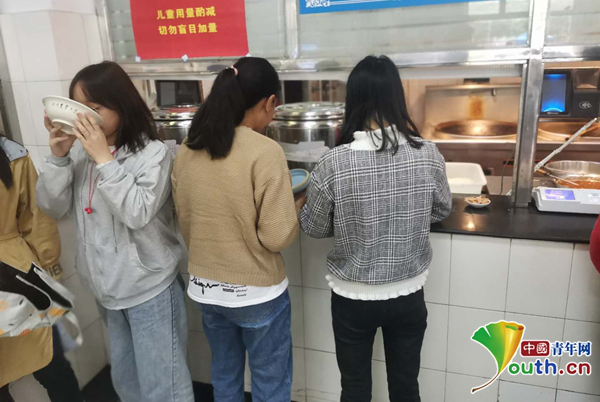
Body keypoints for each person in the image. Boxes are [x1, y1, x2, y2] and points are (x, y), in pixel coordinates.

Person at [36, 62, 194, 402]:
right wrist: (59, 157)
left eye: (94, 108)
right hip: (106, 289)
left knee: (164, 387)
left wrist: (105, 160)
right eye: (78, 107)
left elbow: (136, 212)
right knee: (125, 381)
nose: (84, 117)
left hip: (149, 288)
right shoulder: (80, 154)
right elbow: (52, 207)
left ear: (121, 106)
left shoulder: (153, 153)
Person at [300, 55, 452, 402]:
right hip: (408, 291)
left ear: (353, 99)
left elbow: (313, 226)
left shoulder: (333, 162)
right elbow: (442, 209)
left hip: (352, 296)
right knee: (405, 387)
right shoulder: (428, 153)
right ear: (397, 96)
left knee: (354, 389)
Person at [172, 57, 300, 402]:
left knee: (225, 375)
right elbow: (275, 237)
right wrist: (295, 208)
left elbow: (186, 219)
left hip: (206, 289)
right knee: (270, 382)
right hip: (256, 293)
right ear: (269, 102)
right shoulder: (265, 151)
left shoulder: (188, 148)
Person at [0, 134, 83, 402]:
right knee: (50, 361)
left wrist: (48, 266)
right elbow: (35, 220)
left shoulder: (11, 154)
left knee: (49, 356)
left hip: (15, 270)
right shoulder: (12, 154)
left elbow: (36, 219)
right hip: (17, 268)